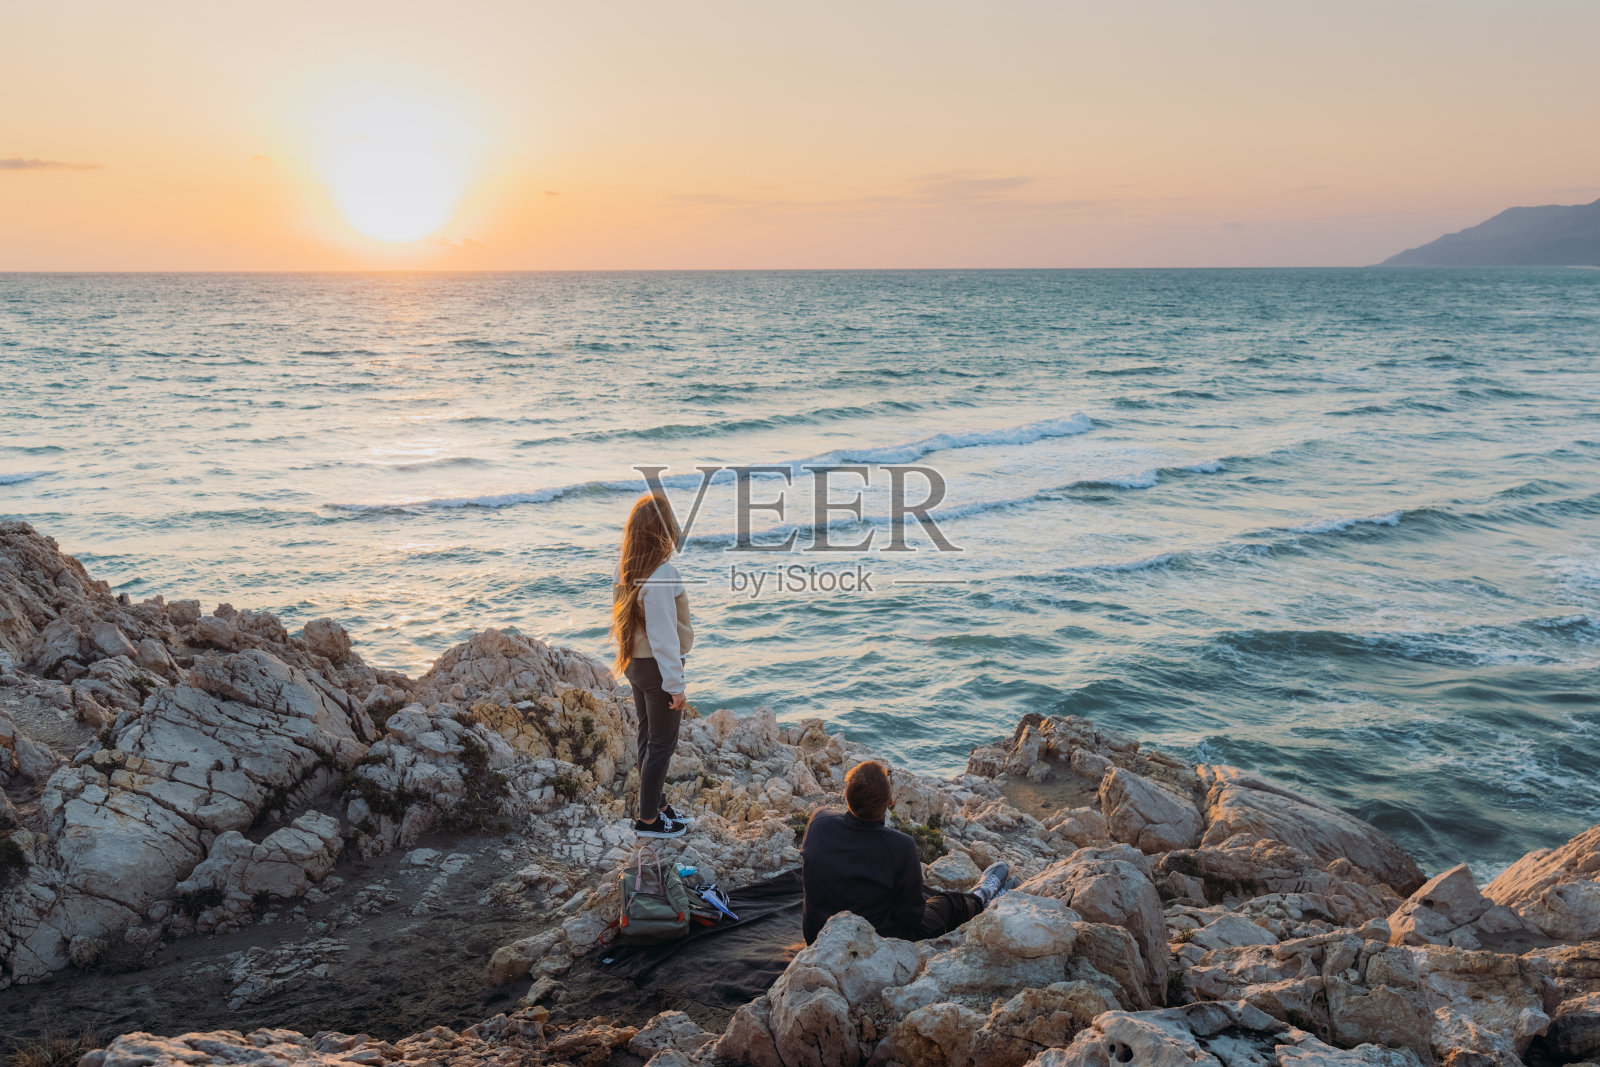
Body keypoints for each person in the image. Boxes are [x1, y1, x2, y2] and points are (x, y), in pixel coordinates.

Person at [799, 760, 1008, 943]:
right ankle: (981, 898)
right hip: (874, 941)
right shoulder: (901, 845)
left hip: (817, 935)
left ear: (846, 797)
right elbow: (912, 918)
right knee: (945, 904)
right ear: (890, 803)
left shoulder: (819, 821)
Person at [612, 491, 696, 840]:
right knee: (662, 744)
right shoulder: (662, 574)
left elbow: (626, 624)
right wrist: (675, 686)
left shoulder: (626, 568)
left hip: (635, 663)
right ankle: (649, 821)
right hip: (657, 669)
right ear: (665, 531)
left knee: (647, 738)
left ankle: (658, 805)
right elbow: (664, 637)